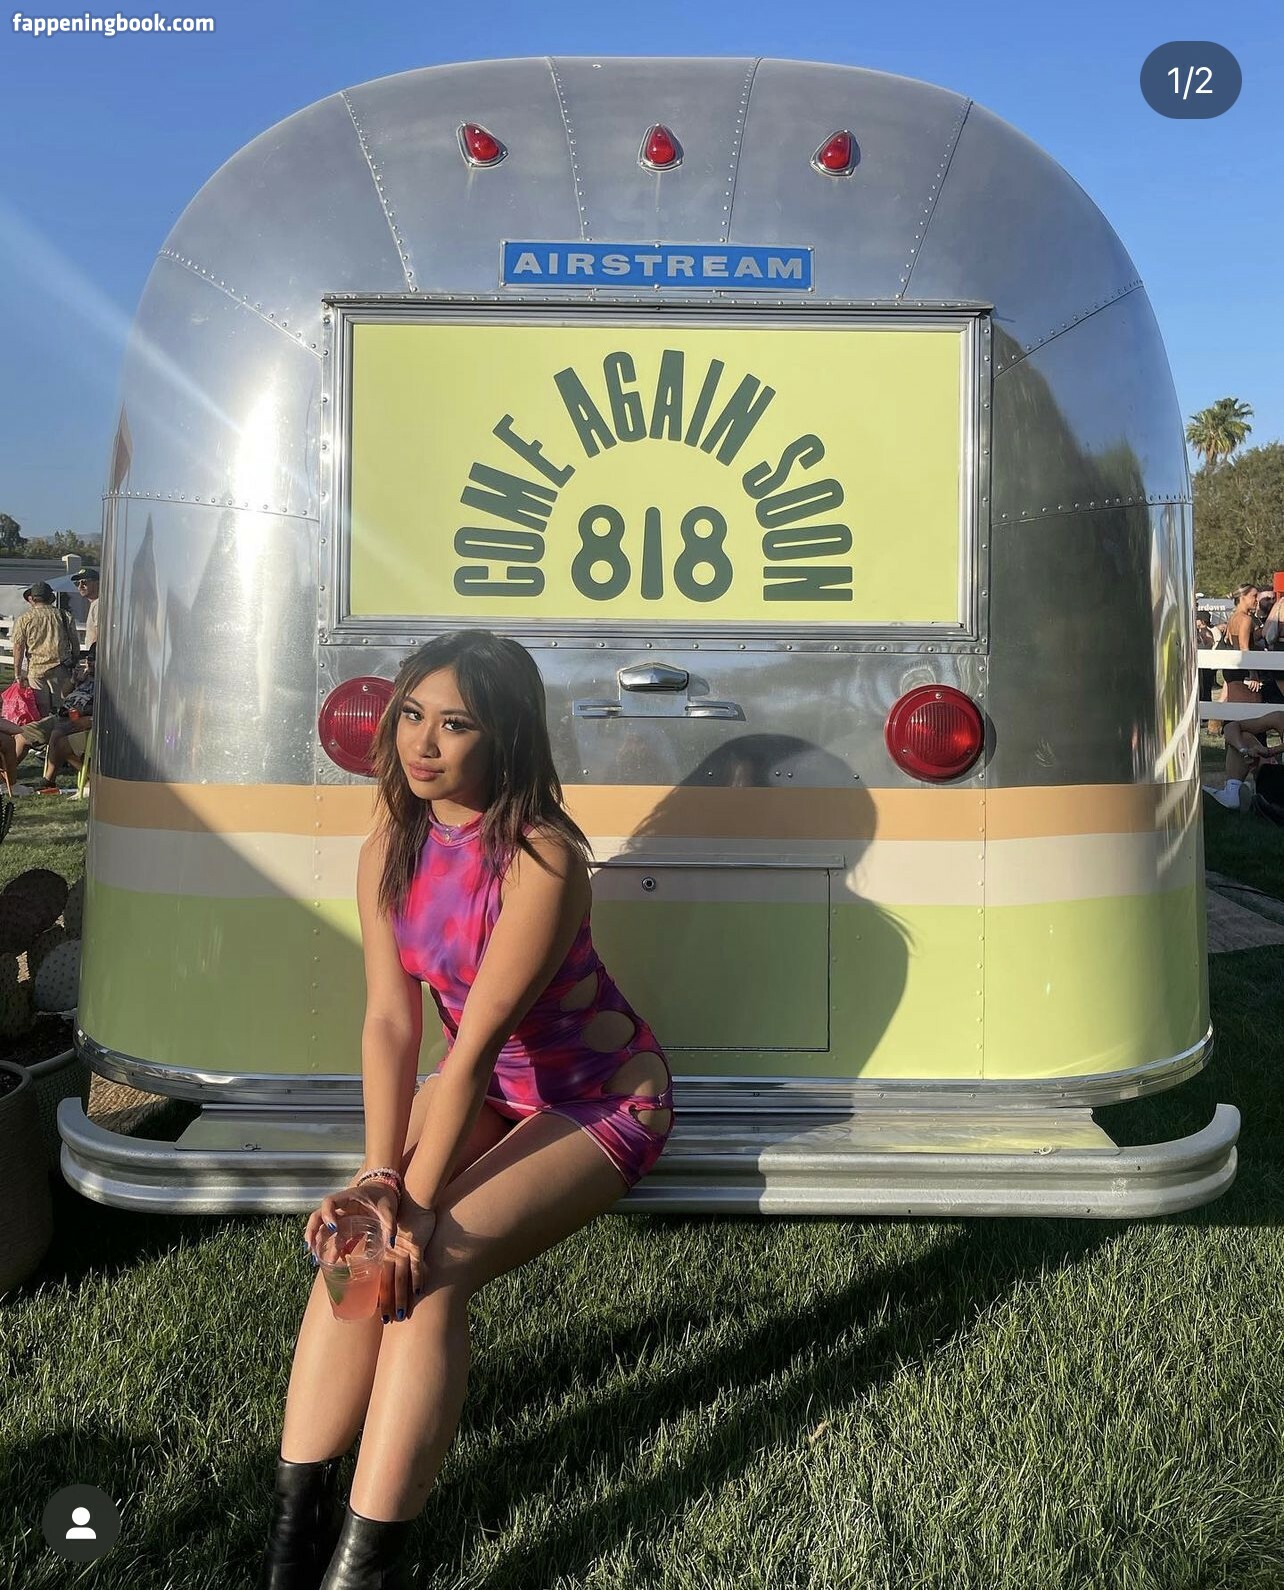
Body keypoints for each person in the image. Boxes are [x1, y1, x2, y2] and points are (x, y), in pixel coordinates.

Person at [262, 629, 675, 1590]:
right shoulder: (390, 845)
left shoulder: (543, 859)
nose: (422, 742)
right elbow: (388, 1024)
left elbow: (478, 1042)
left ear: (506, 737)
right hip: (480, 1092)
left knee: (428, 1271)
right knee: (359, 1249)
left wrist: (412, 1207)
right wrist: (379, 1184)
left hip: (600, 1098)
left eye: (456, 724)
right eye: (411, 714)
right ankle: (290, 1546)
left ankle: (360, 1572)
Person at [10, 581, 79, 714]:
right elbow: (75, 643)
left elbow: (18, 647)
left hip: (36, 670)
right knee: (61, 708)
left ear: (32, 599)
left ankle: (45, 726)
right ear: (51, 598)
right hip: (61, 668)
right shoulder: (64, 616)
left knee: (41, 710)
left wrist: (17, 674)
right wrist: (74, 659)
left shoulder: (24, 619)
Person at [74, 567, 100, 651]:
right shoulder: (95, 604)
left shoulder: (99, 604)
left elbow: (99, 634)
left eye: (84, 582)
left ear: (97, 583)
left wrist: (92, 655)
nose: (80, 586)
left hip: (97, 655)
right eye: (77, 583)